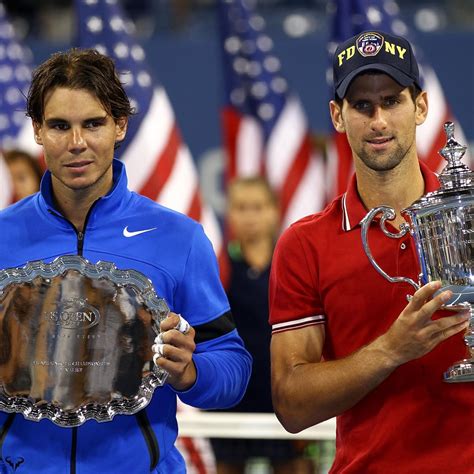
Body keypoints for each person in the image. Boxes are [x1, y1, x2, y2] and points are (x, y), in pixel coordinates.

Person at [0, 48, 251, 473]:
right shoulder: (4, 234)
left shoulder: (179, 238)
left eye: (93, 124)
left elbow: (233, 369)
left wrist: (189, 373)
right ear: (38, 131)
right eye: (60, 126)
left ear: (120, 125)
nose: (77, 143)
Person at [269, 30, 474, 473]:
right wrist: (391, 350)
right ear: (338, 117)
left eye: (392, 101)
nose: (378, 119)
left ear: (420, 107)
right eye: (362, 105)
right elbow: (291, 405)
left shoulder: (469, 215)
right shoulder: (304, 245)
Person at [211, 176, 314, 474]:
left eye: (258, 207)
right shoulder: (219, 268)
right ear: (229, 213)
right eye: (241, 208)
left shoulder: (293, 265)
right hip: (232, 397)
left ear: (274, 211)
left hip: (284, 394)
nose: (250, 216)